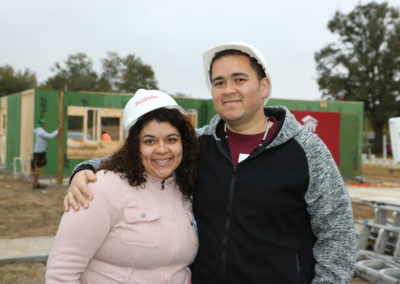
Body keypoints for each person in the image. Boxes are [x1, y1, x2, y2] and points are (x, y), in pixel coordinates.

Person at [64, 42, 357, 284]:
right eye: (219, 82)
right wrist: (85, 168)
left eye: (239, 79)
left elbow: (338, 236)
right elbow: (139, 156)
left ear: (264, 86)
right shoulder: (197, 145)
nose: (228, 89)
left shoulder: (306, 151)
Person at [46, 89, 199, 283]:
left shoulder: (185, 188)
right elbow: (62, 272)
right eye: (149, 141)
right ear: (134, 145)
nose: (162, 150)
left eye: (171, 139)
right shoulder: (102, 187)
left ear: (183, 143)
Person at [31, 119, 61, 189]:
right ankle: (35, 184)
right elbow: (50, 136)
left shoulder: (38, 130)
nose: (46, 125)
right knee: (38, 169)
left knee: (38, 168)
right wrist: (57, 131)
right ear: (43, 125)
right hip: (39, 153)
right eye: (45, 124)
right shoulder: (41, 131)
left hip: (39, 152)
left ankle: (36, 183)